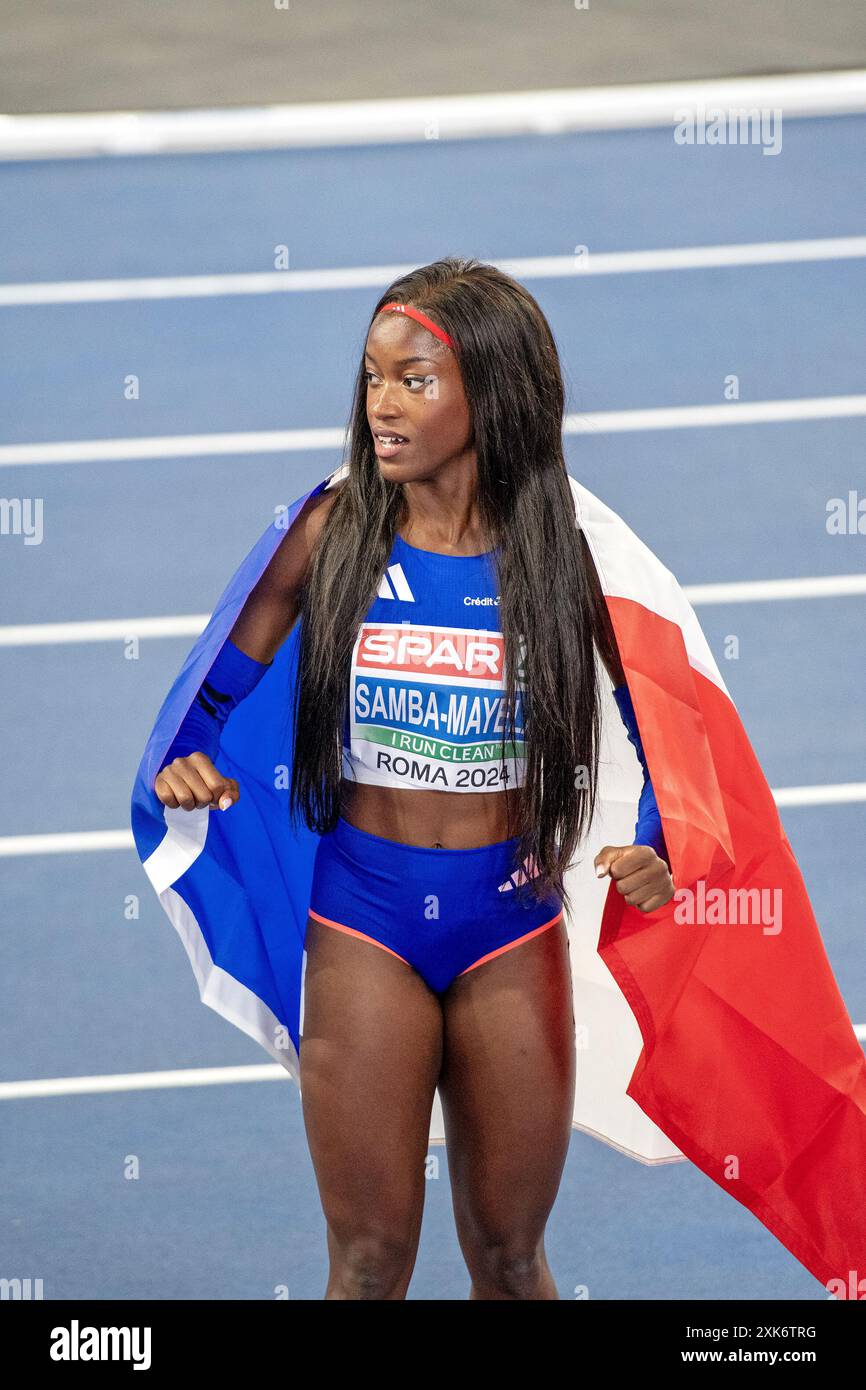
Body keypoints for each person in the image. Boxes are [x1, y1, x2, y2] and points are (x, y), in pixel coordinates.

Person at [151, 259, 674, 1299]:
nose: (380, 404)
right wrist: (189, 764)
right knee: (369, 1259)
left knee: (510, 1259)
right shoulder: (328, 534)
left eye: (416, 380)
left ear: (493, 392)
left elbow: (666, 720)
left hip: (510, 923)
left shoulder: (568, 557)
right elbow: (204, 702)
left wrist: (655, 836)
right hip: (363, 926)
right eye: (372, 376)